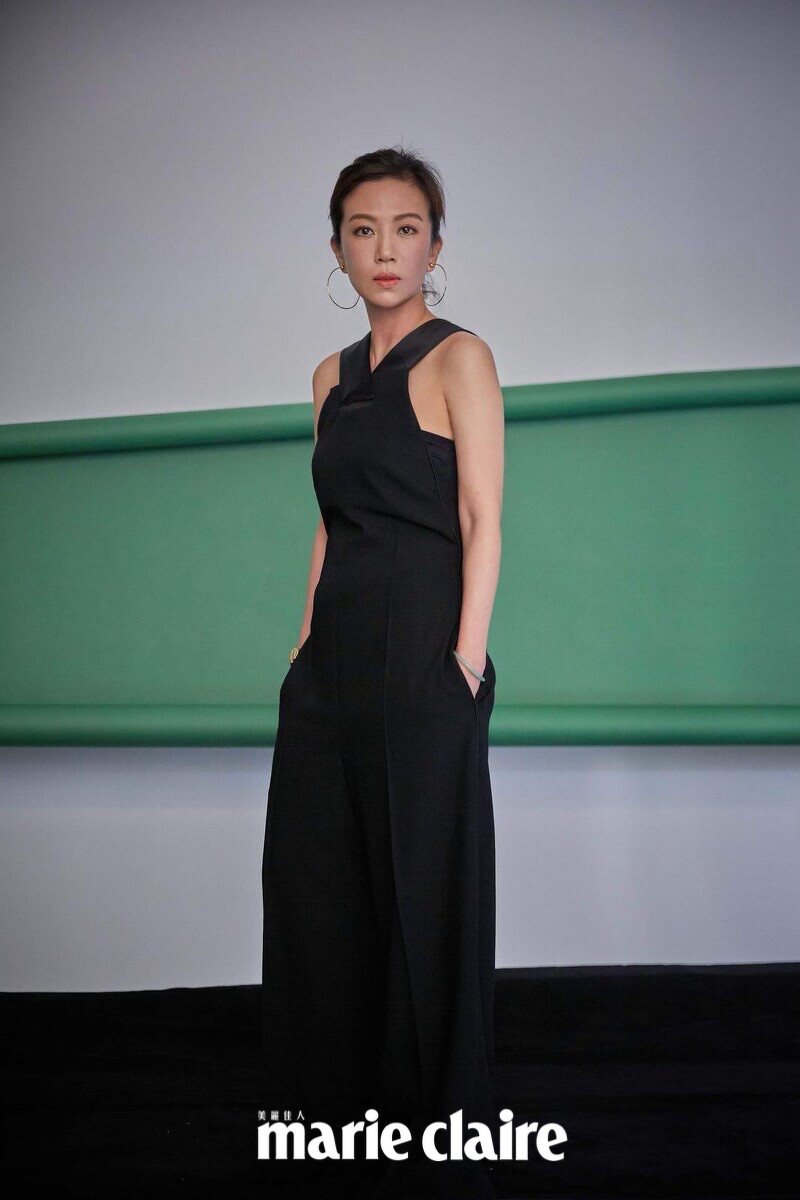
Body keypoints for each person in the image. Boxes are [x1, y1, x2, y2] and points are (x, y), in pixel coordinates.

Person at [261, 144, 505, 1199]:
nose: (385, 249)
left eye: (406, 229)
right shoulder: (329, 378)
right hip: (333, 668)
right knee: (319, 887)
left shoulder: (460, 358)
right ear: (338, 251)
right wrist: (301, 642)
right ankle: (331, 1119)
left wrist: (463, 662)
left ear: (435, 246)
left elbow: (482, 520)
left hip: (423, 658)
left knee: (426, 888)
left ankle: (435, 1125)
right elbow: (331, 522)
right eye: (363, 230)